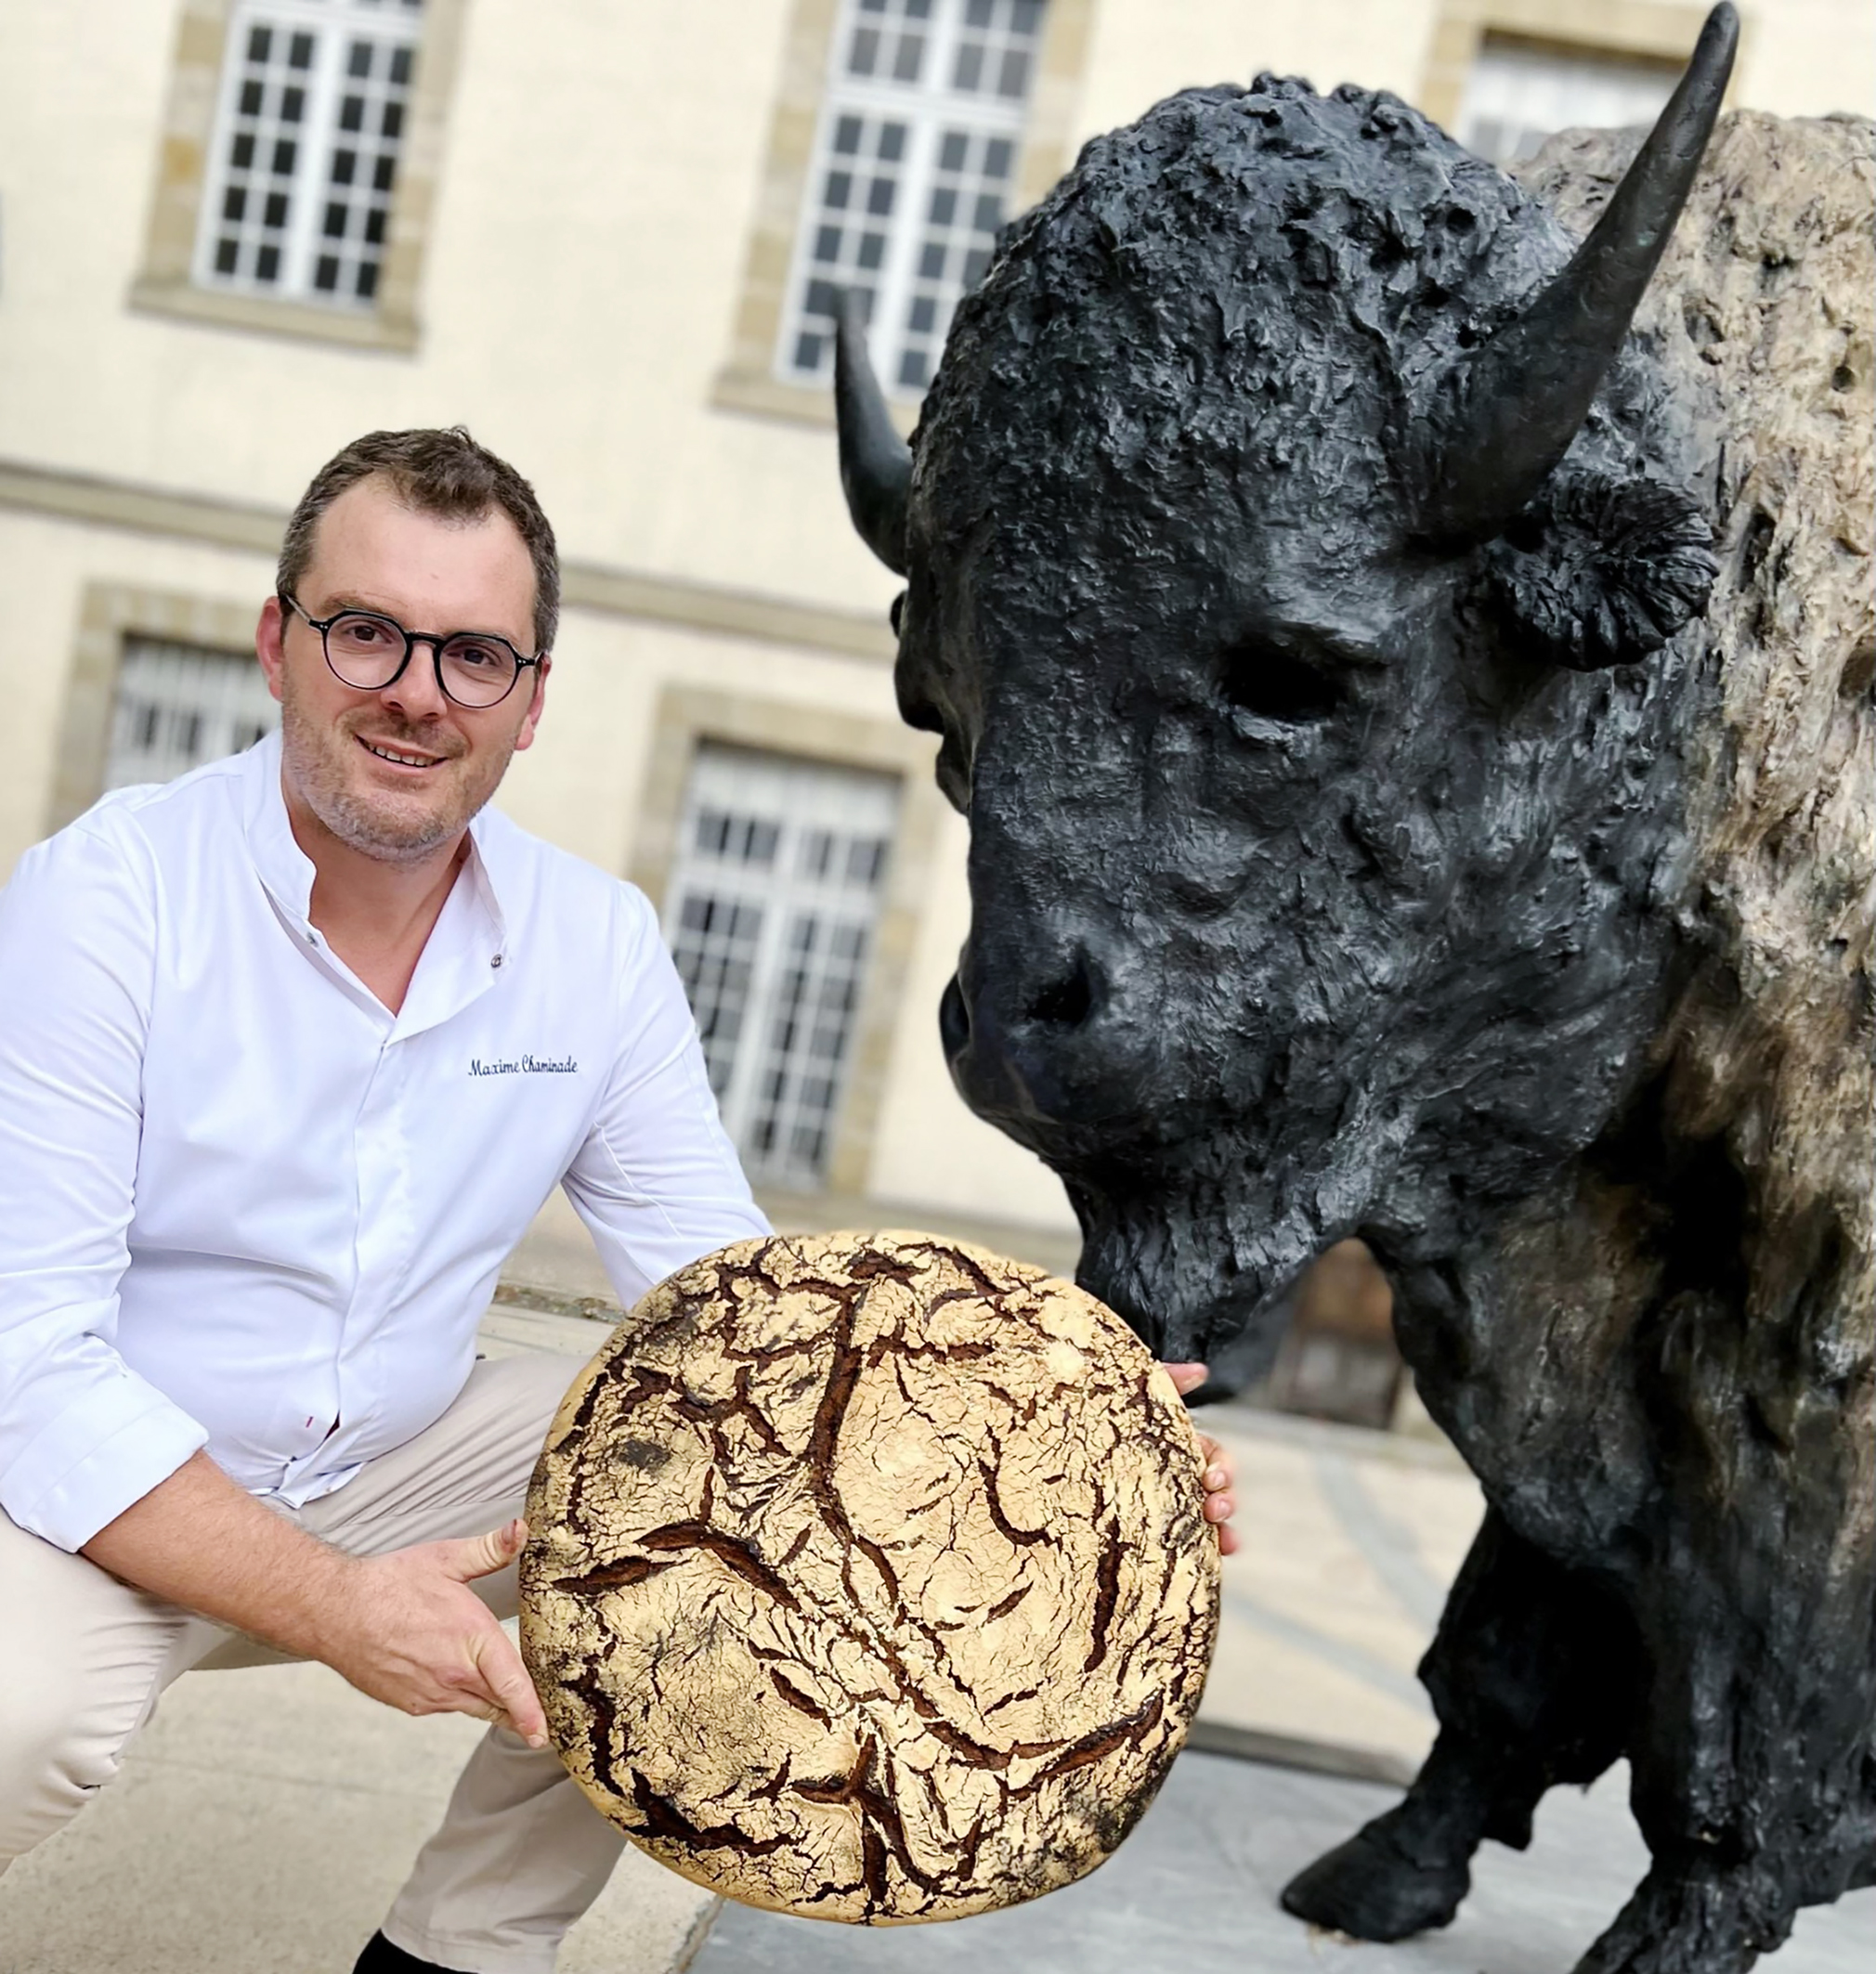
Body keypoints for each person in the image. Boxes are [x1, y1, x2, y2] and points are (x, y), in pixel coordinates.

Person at [0, 427, 1237, 1974]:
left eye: (472, 654)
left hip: (394, 1465)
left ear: (528, 701)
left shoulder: (593, 944)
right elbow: (29, 1363)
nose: (413, 690)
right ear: (278, 641)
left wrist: (1078, 1440)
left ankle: (459, 1953)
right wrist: (328, 1603)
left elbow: (750, 1325)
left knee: (714, 1487)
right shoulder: (108, 898)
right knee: (22, 1717)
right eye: (366, 630)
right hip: (80, 1500)